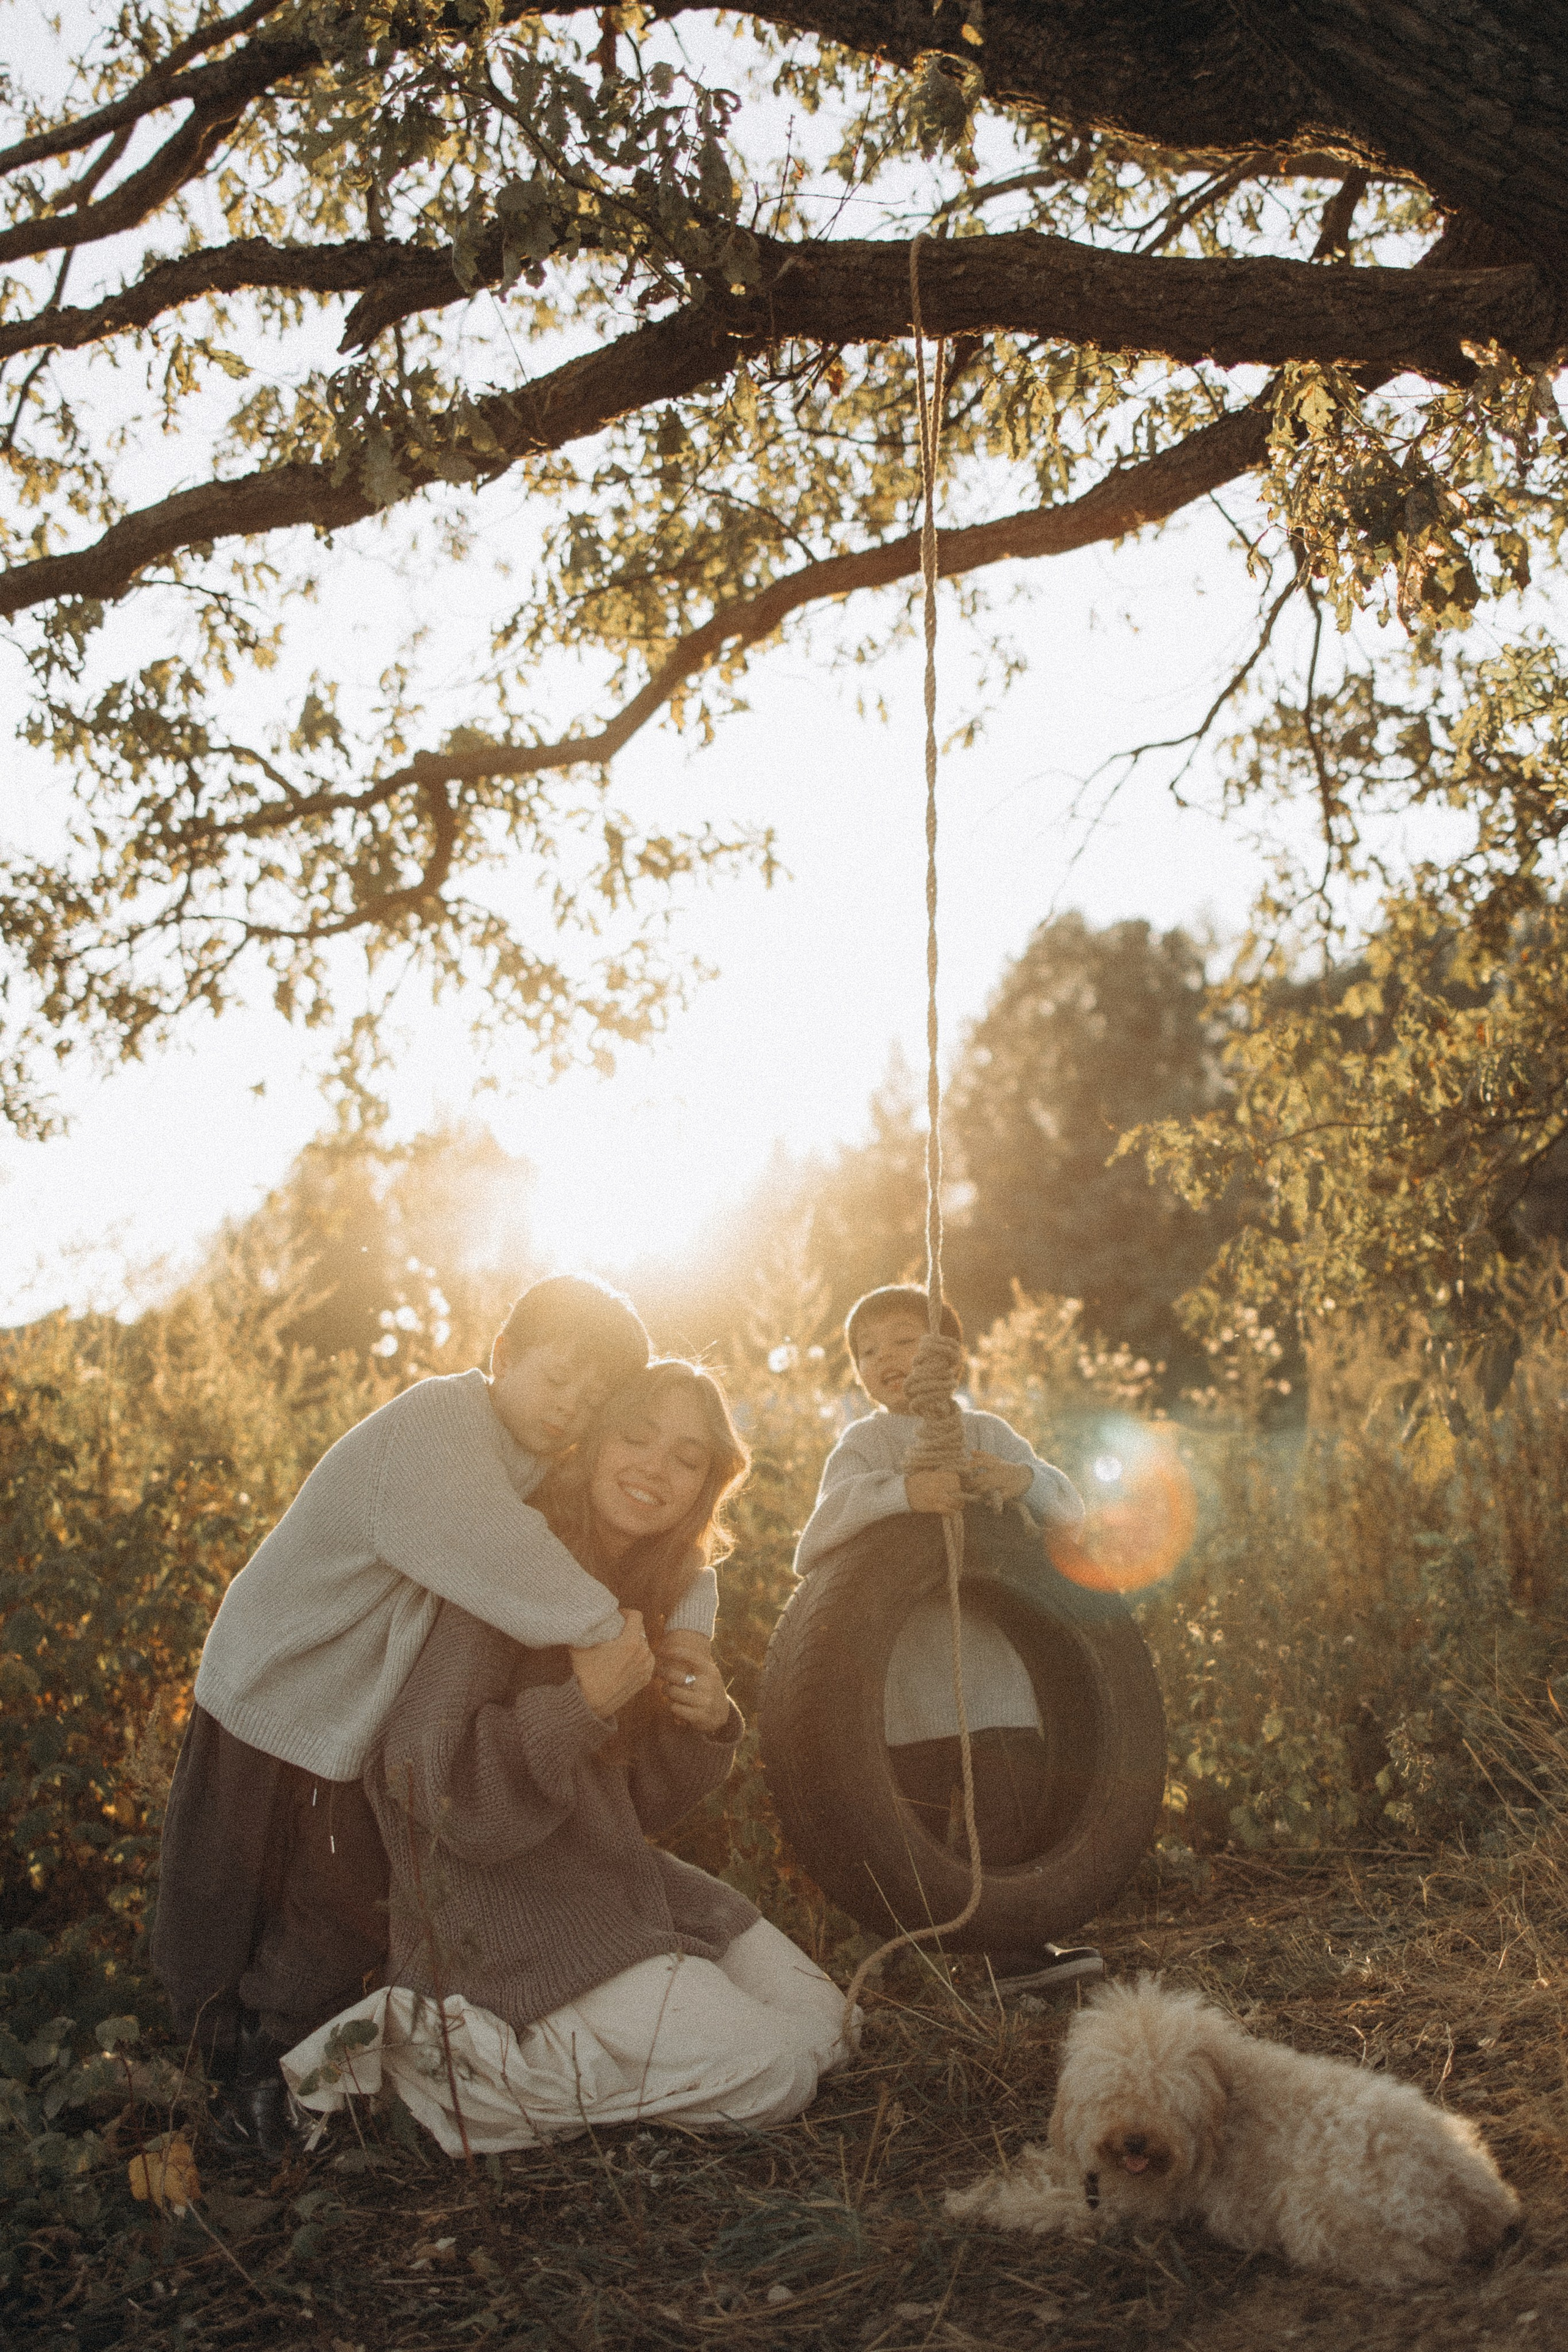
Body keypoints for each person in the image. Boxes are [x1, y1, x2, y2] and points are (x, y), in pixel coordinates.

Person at [153, 1274, 718, 2155]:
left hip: (353, 1714)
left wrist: (692, 1626)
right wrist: (617, 1641)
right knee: (223, 1882)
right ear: (501, 1359)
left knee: (332, 1894)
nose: (571, 1407)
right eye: (557, 1377)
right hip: (274, 1689)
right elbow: (508, 1553)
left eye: (594, 1397)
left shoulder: (533, 1457)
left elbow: (680, 1554)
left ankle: (272, 2062)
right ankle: (211, 2069)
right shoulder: (439, 1427)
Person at [283, 1360, 856, 2152]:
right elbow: (421, 1773)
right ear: (591, 1445)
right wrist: (579, 1705)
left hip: (614, 1883)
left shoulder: (653, 1585)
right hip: (505, 1907)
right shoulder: (509, 1565)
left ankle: (597, 2057)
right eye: (637, 1437)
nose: (657, 1467)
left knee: (831, 2025)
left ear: (707, 1485)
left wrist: (702, 1722)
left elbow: (636, 1805)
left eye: (688, 1458)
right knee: (777, 2072)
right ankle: (433, 2066)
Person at [793, 1285, 1102, 1996]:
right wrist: (904, 1495)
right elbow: (815, 1541)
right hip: (908, 1688)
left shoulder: (987, 1434)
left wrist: (1015, 1479)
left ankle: (1013, 1957)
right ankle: (916, 1960)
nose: (884, 1359)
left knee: (1009, 1815)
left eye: (903, 1340)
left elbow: (1069, 1510)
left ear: (947, 1355)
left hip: (993, 1681)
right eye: (867, 1352)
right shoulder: (864, 1445)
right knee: (915, 1832)